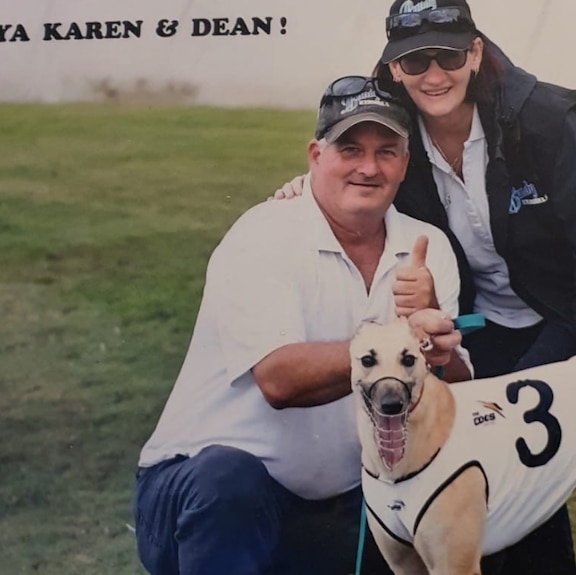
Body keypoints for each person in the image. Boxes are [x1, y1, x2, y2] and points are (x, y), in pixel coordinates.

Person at [272, 1, 576, 574]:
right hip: (498, 327)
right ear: (393, 68)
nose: (433, 74)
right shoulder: (401, 135)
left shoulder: (548, 116)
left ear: (474, 52)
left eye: (448, 55)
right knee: (503, 472)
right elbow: (361, 166)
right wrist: (311, 186)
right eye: (413, 59)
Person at [133, 75, 473, 575]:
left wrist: (438, 352)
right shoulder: (264, 233)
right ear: (316, 156)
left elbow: (451, 402)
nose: (368, 167)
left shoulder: (425, 246)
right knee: (228, 479)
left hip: (336, 500)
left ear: (405, 163)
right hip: (199, 496)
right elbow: (280, 379)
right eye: (349, 148)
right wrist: (403, 340)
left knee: (439, 489)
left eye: (387, 151)